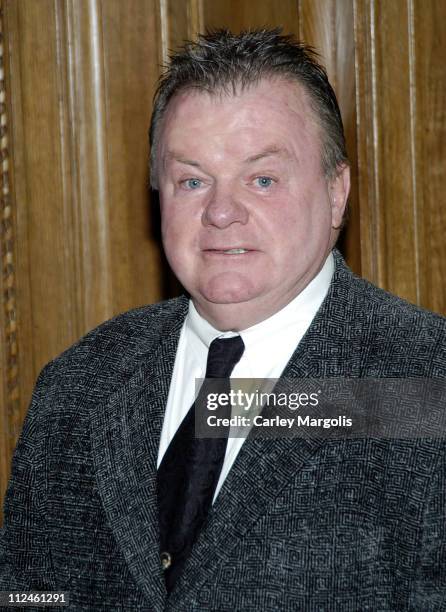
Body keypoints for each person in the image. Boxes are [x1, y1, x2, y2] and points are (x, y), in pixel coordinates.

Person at [0, 28, 445, 611]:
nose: (221, 212)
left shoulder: (426, 383)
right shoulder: (79, 384)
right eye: (192, 181)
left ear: (337, 192)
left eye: (262, 179)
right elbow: (31, 596)